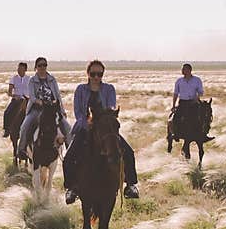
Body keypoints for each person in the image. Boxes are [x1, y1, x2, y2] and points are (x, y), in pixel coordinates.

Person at [63, 60, 138, 204]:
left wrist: (102, 121)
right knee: (69, 157)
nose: (96, 77)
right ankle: (71, 188)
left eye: (100, 74)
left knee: (128, 152)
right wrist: (88, 124)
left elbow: (111, 107)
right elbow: (78, 113)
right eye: (93, 74)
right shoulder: (80, 90)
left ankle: (131, 185)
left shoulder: (109, 89)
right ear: (88, 74)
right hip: (85, 128)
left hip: (105, 129)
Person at [16, 57, 72, 159]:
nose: (42, 67)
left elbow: (58, 96)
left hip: (52, 109)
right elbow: (32, 97)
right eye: (40, 65)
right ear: (36, 67)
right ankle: (21, 150)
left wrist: (62, 111)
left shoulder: (52, 79)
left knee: (67, 128)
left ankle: (71, 152)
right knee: (24, 126)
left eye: (44, 65)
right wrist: (41, 103)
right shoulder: (32, 81)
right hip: (37, 109)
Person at [172, 63, 214, 142]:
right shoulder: (179, 81)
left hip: (193, 103)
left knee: (204, 117)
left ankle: (204, 134)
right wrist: (173, 105)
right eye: (182, 69)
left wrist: (196, 97)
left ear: (189, 70)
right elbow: (175, 94)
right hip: (183, 103)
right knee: (176, 117)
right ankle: (176, 133)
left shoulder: (197, 80)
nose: (182, 71)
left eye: (184, 69)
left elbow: (200, 92)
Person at [2, 62, 30, 137]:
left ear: (25, 69)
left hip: (27, 100)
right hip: (17, 100)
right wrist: (14, 96)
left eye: (21, 68)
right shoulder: (13, 78)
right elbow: (9, 92)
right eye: (18, 68)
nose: (19, 70)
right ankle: (6, 130)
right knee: (7, 112)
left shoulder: (29, 79)